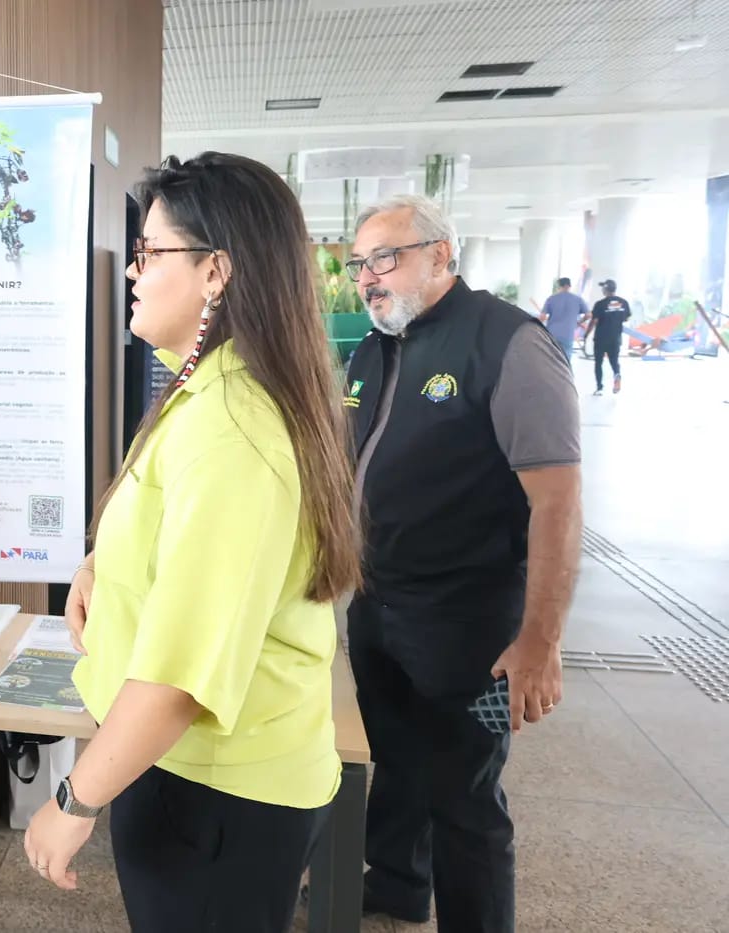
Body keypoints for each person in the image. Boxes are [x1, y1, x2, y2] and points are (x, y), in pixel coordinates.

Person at [23, 153, 360, 932]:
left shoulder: (236, 426)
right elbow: (173, 525)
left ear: (217, 271)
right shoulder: (207, 385)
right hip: (187, 772)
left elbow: (181, 678)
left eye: (151, 253)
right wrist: (100, 562)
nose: (135, 272)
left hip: (218, 792)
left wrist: (75, 799)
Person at [340, 195, 582, 931]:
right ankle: (398, 885)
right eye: (358, 263)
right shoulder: (375, 345)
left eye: (387, 256)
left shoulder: (507, 342)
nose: (368, 276)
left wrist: (540, 641)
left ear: (443, 254)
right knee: (399, 760)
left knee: (466, 791)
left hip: (470, 622)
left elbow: (558, 502)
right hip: (379, 604)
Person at [581, 279, 631, 394]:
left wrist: (586, 334)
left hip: (601, 338)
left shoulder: (600, 304)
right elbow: (626, 318)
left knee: (598, 363)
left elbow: (594, 321)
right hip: (616, 338)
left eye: (603, 287)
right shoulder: (623, 302)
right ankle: (617, 375)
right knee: (614, 361)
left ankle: (599, 388)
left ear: (605, 289)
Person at [539, 277, 588, 362]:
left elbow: (542, 317)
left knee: (551, 359)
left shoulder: (551, 299)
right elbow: (589, 315)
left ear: (559, 286)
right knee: (566, 361)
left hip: (552, 334)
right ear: (569, 286)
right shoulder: (578, 299)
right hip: (568, 334)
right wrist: (578, 323)